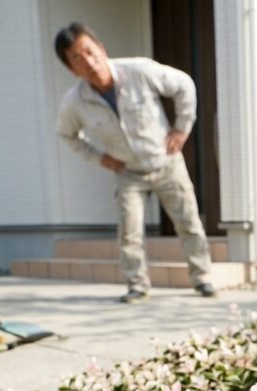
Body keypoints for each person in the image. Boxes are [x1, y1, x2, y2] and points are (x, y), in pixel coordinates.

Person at [54, 22, 216, 303]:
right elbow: (67, 135)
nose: (89, 62)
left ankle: (202, 278)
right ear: (71, 68)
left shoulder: (139, 71)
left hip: (166, 163)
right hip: (128, 172)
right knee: (129, 232)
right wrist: (99, 157)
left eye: (90, 52)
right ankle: (137, 285)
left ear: (101, 49)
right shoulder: (74, 102)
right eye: (77, 59)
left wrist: (181, 128)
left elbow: (184, 85)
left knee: (189, 222)